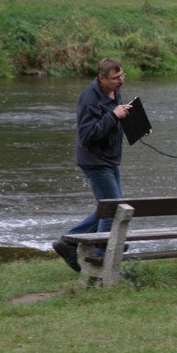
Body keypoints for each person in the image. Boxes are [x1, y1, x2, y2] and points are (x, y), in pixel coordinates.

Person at [52, 58, 132, 273]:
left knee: (111, 206)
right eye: (116, 79)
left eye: (122, 76)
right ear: (101, 78)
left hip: (110, 158)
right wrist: (113, 115)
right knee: (113, 207)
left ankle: (69, 243)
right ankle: (101, 254)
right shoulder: (88, 99)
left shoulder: (114, 92)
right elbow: (88, 135)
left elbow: (117, 117)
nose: (121, 81)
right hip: (95, 161)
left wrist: (137, 125)